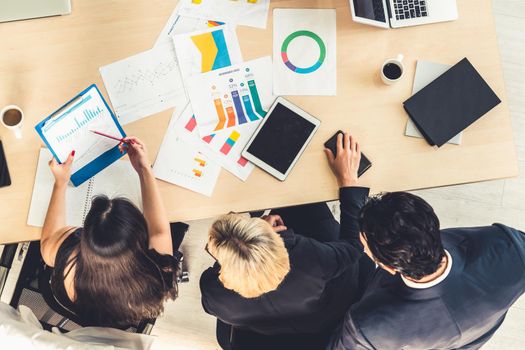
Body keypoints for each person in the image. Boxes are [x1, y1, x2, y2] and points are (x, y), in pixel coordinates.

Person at [200, 133, 374, 349]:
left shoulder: (215, 295)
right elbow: (353, 246)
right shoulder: (310, 260)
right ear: (283, 245)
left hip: (262, 332)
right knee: (303, 199)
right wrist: (349, 183)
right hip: (323, 313)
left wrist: (252, 235)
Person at [328, 191, 525, 349]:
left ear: (387, 266)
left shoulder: (368, 326)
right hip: (475, 333)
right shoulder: (511, 249)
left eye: (366, 246)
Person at [40, 137, 181, 329]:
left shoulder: (70, 261)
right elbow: (160, 232)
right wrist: (144, 169)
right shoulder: (155, 274)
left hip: (90, 313)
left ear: (85, 238)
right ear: (139, 235)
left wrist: (61, 182)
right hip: (121, 317)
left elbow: (48, 241)